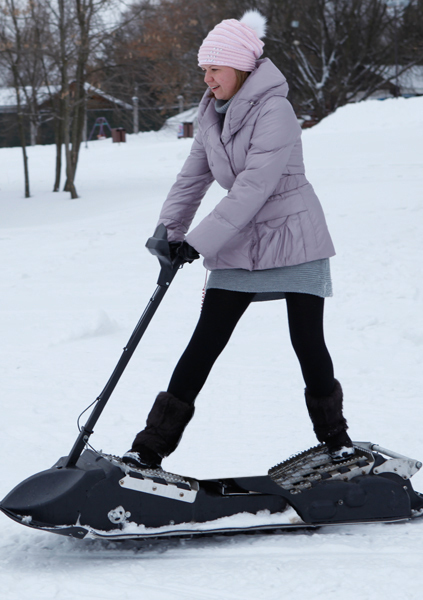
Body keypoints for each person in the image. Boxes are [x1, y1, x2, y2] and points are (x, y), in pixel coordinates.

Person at [123, 11, 354, 471]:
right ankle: (148, 450)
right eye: (204, 71)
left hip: (293, 235)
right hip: (238, 238)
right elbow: (192, 177)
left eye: (215, 70)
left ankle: (339, 443)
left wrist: (199, 242)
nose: (207, 80)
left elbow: (254, 186)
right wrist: (168, 234)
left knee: (307, 343)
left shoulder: (276, 110)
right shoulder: (210, 113)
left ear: (242, 69)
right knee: (204, 342)